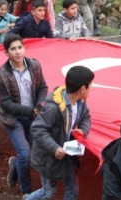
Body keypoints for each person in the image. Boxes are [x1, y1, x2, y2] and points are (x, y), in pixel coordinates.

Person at [25, 66, 94, 200]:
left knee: (72, 189)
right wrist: (54, 148)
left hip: (67, 155)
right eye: (91, 85)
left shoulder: (80, 102)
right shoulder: (54, 107)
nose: (92, 89)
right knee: (48, 193)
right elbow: (37, 128)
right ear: (83, 89)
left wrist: (83, 130)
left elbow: (86, 117)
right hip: (49, 158)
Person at [0, 34, 48, 195]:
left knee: (30, 155)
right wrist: (30, 110)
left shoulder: (34, 65)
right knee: (25, 154)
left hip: (32, 115)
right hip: (12, 118)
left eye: (20, 47)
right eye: (13, 49)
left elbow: (43, 87)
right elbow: (5, 103)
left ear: (24, 48)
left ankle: (15, 165)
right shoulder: (1, 73)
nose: (17, 52)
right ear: (6, 53)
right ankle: (26, 192)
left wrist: (39, 104)